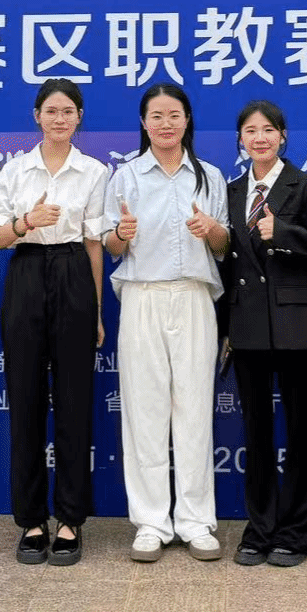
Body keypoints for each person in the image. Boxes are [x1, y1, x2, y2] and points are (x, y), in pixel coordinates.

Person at [0, 78, 108, 566]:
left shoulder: (94, 171)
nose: (59, 119)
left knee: (75, 402)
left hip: (75, 272)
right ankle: (32, 520)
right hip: (27, 272)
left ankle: (70, 519)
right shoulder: (15, 171)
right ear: (37, 116)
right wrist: (24, 223)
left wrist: (96, 310)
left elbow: (95, 243)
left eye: (68, 111)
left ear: (79, 118)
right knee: (26, 400)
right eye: (51, 110)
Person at [102, 82, 229, 563]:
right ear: (143, 123)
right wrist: (121, 233)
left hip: (194, 296)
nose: (165, 124)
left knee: (194, 410)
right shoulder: (126, 176)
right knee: (144, 411)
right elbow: (111, 245)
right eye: (156, 116)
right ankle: (151, 522)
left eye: (174, 115)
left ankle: (196, 521)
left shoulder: (209, 176)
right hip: (143, 296)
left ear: (187, 120)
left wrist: (212, 230)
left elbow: (223, 246)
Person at [221, 100, 307, 568]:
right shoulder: (232, 191)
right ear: (240, 140)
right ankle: (260, 528)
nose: (260, 138)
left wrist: (282, 230)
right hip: (247, 326)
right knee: (257, 433)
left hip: (296, 325)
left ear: (283, 136)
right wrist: (224, 327)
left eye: (268, 129)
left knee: (301, 431)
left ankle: (297, 532)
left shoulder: (304, 185)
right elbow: (225, 264)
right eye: (251, 130)